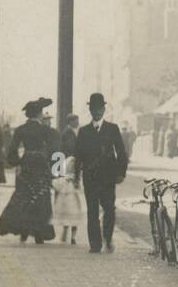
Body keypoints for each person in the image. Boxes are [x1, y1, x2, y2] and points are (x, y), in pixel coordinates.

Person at [0, 97, 59, 244]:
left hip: (26, 166)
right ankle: (39, 233)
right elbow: (56, 151)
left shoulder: (20, 130)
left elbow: (12, 151)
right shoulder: (47, 131)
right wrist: (56, 171)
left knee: (24, 196)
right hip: (41, 166)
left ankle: (23, 231)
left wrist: (18, 162)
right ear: (39, 114)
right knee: (41, 197)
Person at [73, 93, 129, 253]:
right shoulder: (83, 131)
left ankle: (108, 238)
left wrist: (121, 173)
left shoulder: (113, 129)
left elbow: (121, 152)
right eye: (94, 108)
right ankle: (95, 244)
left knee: (109, 209)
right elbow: (78, 156)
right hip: (90, 178)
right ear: (90, 110)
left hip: (108, 177)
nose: (97, 111)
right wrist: (76, 177)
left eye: (99, 108)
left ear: (104, 109)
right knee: (92, 211)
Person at [53, 114, 84, 244]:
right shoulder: (68, 134)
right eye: (76, 121)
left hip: (69, 170)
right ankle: (69, 233)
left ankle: (67, 232)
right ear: (71, 121)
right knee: (72, 206)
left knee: (68, 206)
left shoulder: (68, 132)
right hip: (69, 171)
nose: (78, 123)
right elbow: (66, 151)